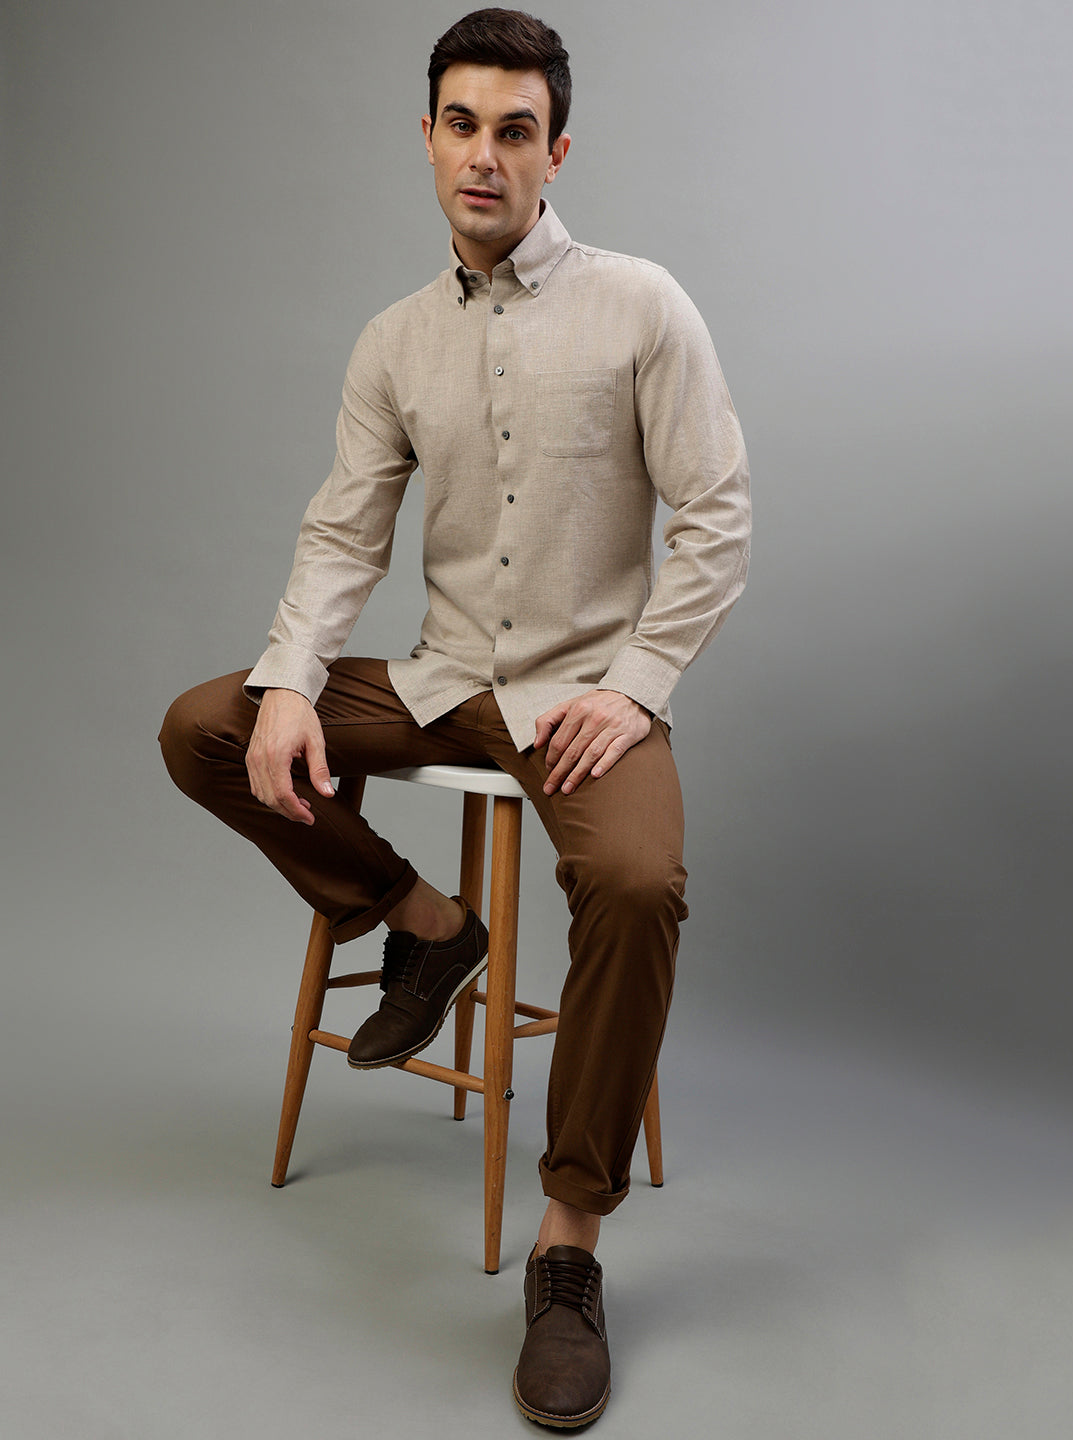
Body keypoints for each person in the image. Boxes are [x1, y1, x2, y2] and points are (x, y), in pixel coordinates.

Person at [159, 7, 750, 1427]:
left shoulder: (643, 305)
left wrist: (637, 686)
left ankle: (568, 1244)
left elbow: (718, 518)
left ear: (557, 153)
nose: (486, 155)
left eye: (515, 130)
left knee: (637, 883)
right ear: (427, 139)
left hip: (579, 699)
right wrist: (289, 684)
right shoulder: (394, 341)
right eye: (463, 125)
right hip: (439, 684)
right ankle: (423, 922)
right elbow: (342, 534)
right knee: (205, 726)